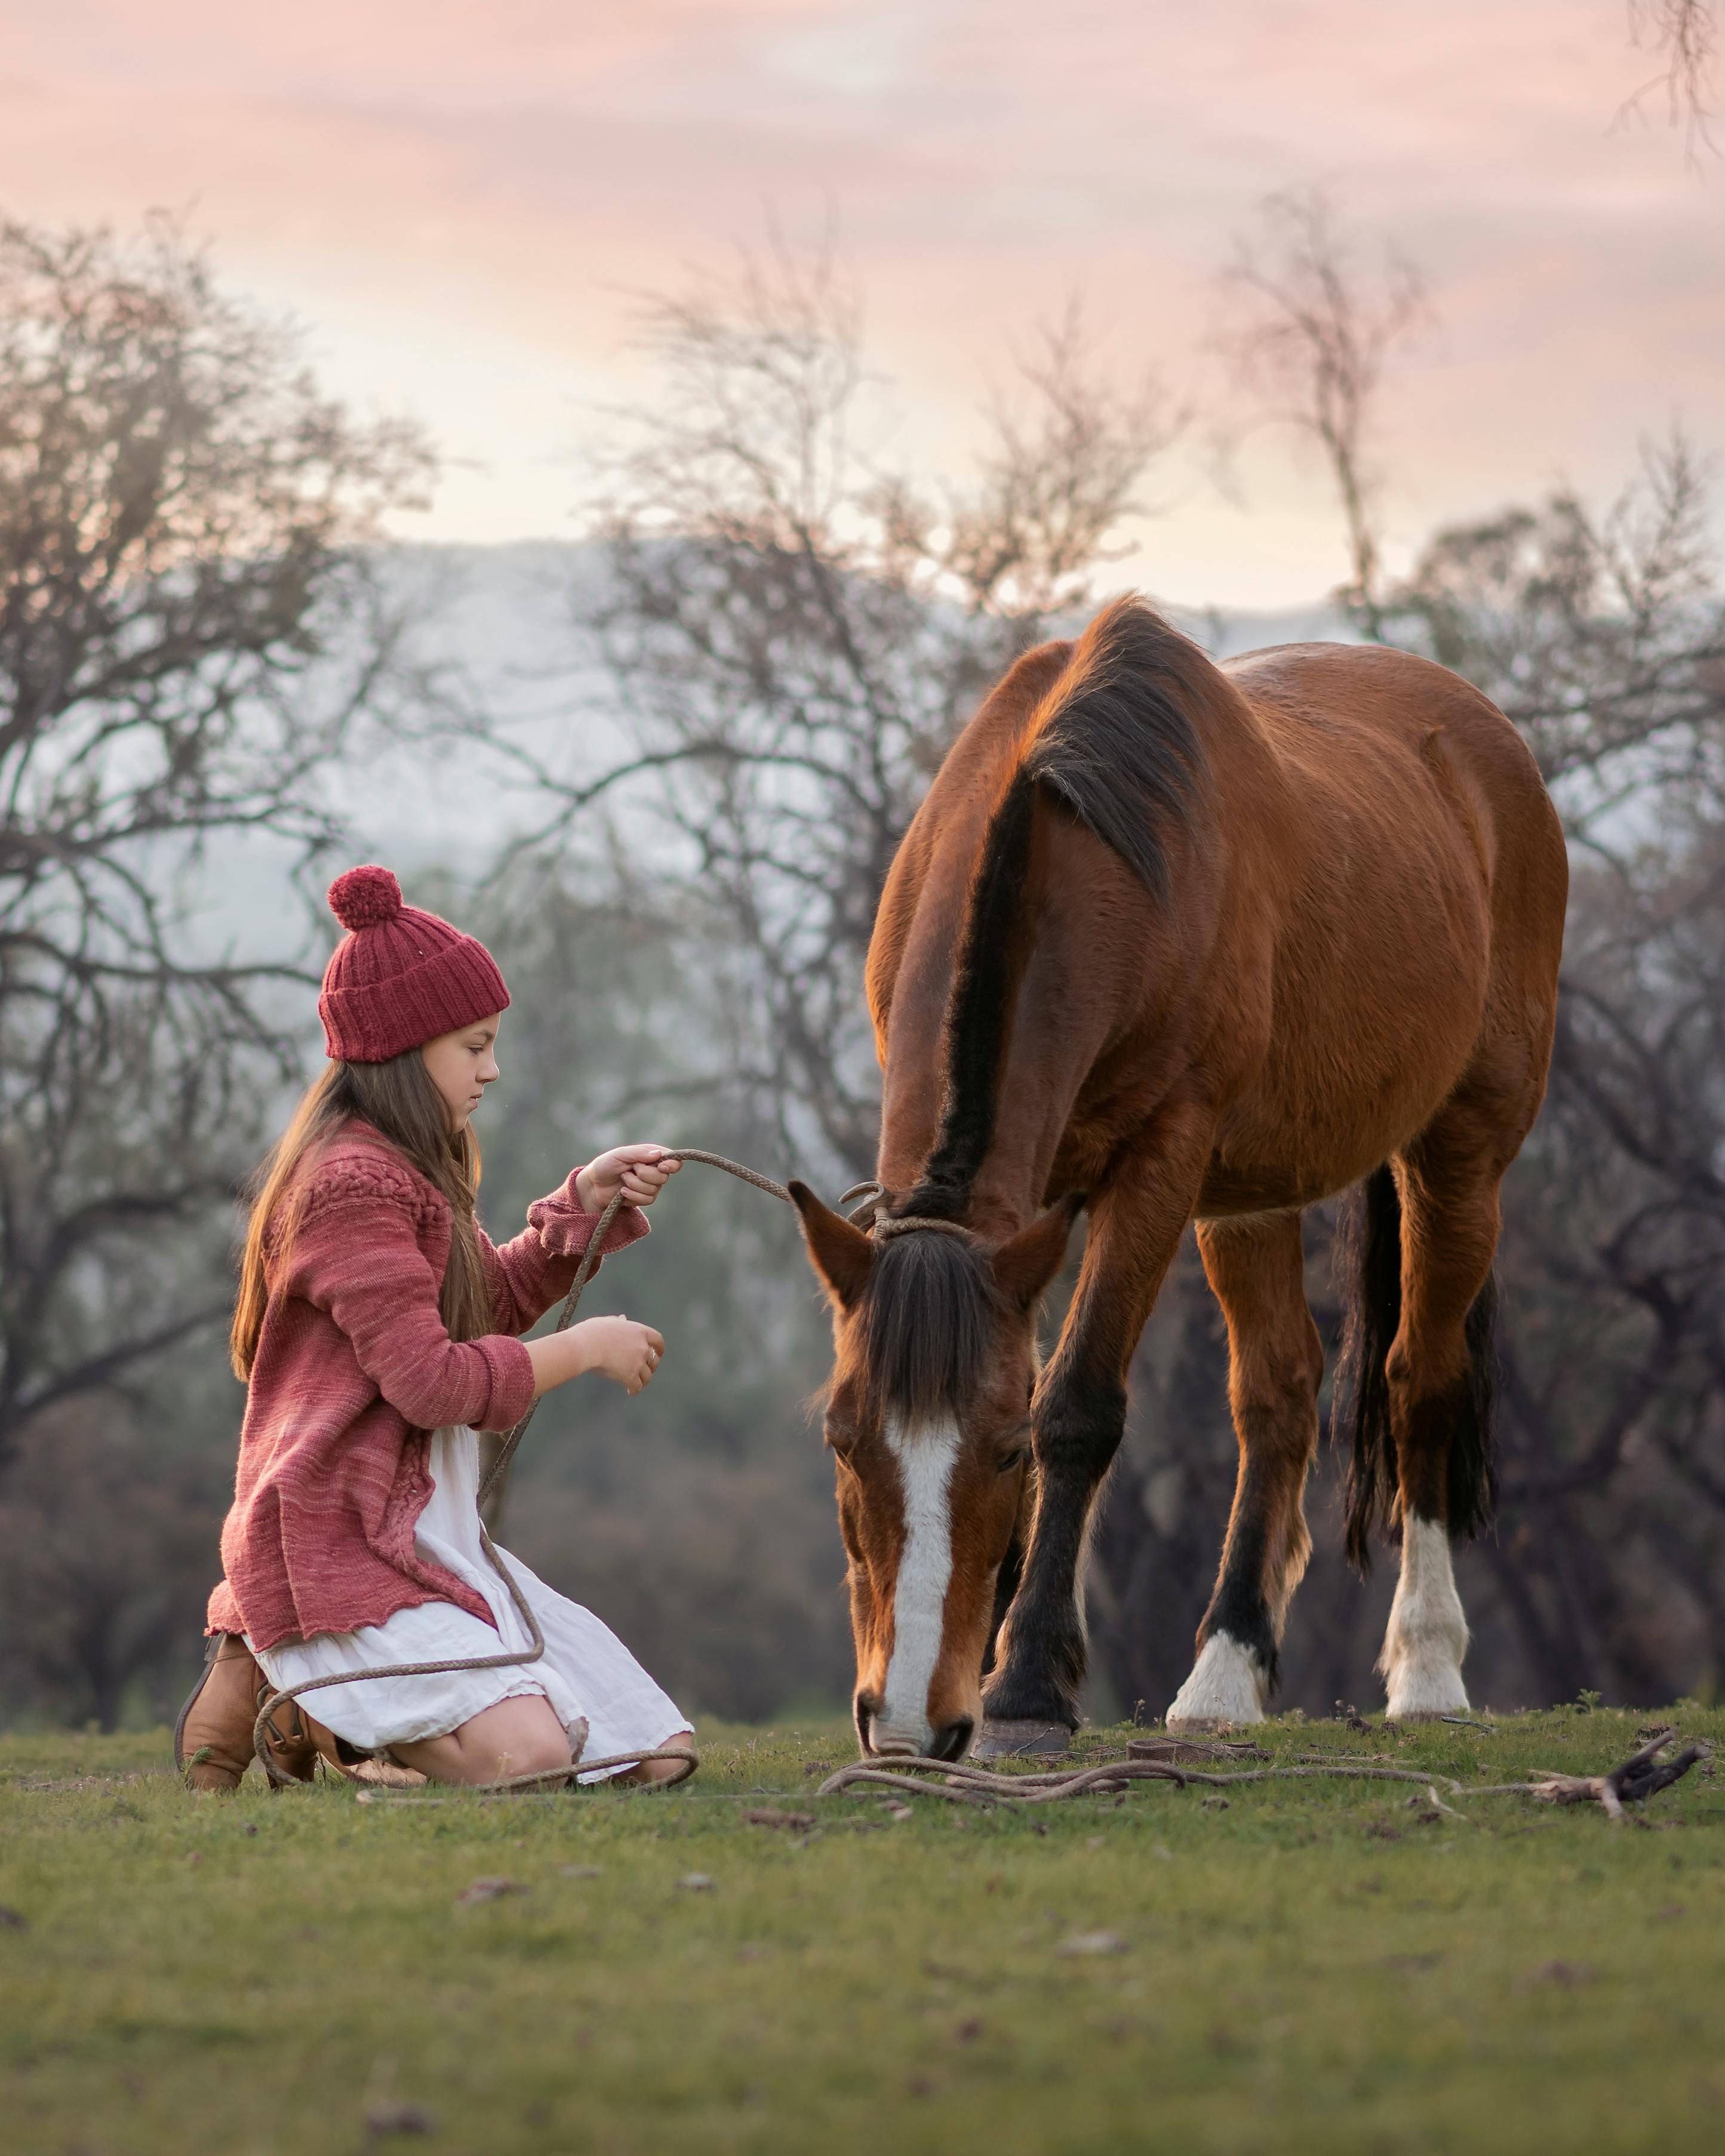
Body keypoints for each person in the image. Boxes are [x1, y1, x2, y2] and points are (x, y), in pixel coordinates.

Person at [175, 863, 693, 1793]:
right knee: (526, 1762)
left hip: (418, 1537)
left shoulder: (410, 1173)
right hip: (341, 1537)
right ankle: (310, 1703)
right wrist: (583, 1350)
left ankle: (324, 1695)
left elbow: (471, 1309)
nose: (493, 1068)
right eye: (474, 1046)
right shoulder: (348, 1185)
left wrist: (581, 1205)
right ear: (406, 1049)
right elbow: (434, 1383)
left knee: (654, 1760)